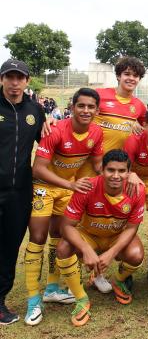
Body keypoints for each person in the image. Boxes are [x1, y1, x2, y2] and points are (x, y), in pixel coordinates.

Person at [23, 88, 103, 326]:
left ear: (97, 110)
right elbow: (38, 169)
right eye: (81, 105)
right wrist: (70, 184)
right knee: (38, 238)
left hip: (66, 189)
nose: (86, 110)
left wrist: (126, 175)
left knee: (58, 236)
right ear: (72, 107)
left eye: (91, 107)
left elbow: (98, 165)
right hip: (43, 187)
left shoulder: (96, 132)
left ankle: (52, 288)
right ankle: (33, 299)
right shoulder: (56, 129)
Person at [56, 150, 146, 327]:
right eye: (111, 170)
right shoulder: (87, 187)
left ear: (129, 172)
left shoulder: (137, 189)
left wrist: (111, 253)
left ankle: (118, 281)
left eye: (121, 171)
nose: (116, 176)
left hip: (115, 237)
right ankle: (81, 298)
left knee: (136, 254)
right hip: (89, 236)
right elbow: (65, 226)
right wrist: (86, 249)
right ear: (102, 170)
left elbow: (132, 228)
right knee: (63, 248)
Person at [0, 59, 46, 325]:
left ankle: (0, 301)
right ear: (2, 79)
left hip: (20, 192)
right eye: (10, 77)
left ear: (27, 81)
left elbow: (48, 143)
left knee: (9, 246)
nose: (14, 83)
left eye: (19, 78)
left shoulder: (35, 110)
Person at [76, 56, 147, 179]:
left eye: (135, 76)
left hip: (115, 169)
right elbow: (77, 114)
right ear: (118, 76)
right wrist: (52, 120)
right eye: (127, 74)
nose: (131, 78)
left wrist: (134, 123)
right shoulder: (99, 95)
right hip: (88, 163)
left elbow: (147, 128)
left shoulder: (139, 105)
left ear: (139, 79)